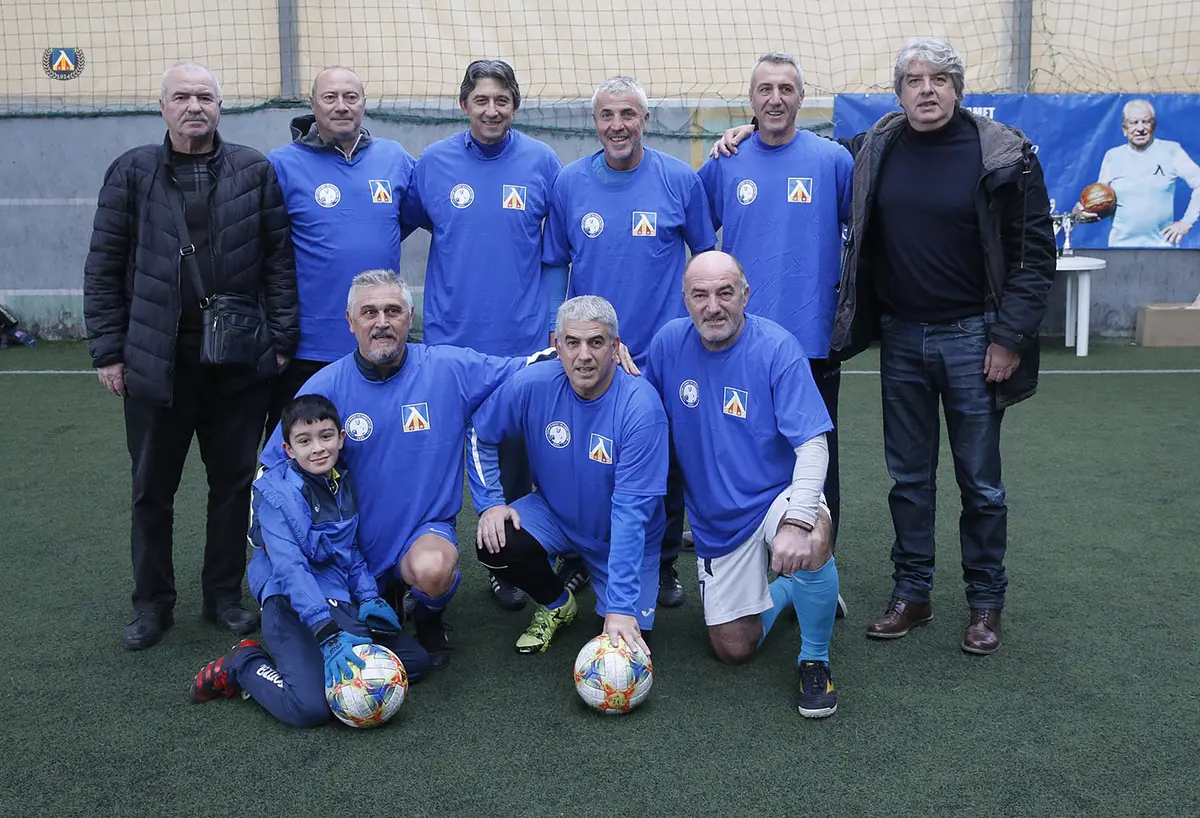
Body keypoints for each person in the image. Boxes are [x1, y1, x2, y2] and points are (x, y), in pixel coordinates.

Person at [830, 38, 1054, 653]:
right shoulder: (876, 147)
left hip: (975, 340)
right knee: (908, 479)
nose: (926, 89)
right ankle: (913, 593)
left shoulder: (1004, 155)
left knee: (980, 483)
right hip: (901, 339)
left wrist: (1008, 336)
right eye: (913, 80)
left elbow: (1035, 256)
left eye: (939, 79)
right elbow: (802, 149)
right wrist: (744, 132)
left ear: (957, 88)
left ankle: (985, 603)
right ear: (898, 92)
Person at [84, 62, 298, 651]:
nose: (194, 106)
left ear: (220, 107)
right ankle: (152, 604)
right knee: (152, 490)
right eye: (181, 96)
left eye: (205, 96)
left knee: (233, 486)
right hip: (157, 362)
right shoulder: (131, 172)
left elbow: (279, 262)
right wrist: (109, 351)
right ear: (163, 107)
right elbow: (103, 267)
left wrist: (281, 340)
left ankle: (223, 597)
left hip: (236, 363)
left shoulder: (254, 169)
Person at [261, 270, 540, 669]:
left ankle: (428, 618)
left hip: (423, 532)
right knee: (343, 643)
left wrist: (593, 357)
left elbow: (525, 368)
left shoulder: (448, 368)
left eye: (393, 311)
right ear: (350, 321)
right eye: (369, 312)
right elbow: (273, 466)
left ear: (410, 317)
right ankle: (382, 594)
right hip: (350, 548)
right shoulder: (325, 386)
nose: (382, 322)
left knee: (433, 569)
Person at [541, 75, 716, 608]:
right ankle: (579, 555)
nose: (618, 125)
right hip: (588, 353)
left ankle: (661, 562)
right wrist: (556, 333)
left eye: (628, 115)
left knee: (665, 461)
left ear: (645, 119)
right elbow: (556, 262)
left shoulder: (680, 180)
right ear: (595, 122)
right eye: (607, 115)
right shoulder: (570, 182)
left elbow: (705, 258)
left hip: (661, 356)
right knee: (581, 458)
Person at [645, 251, 840, 718]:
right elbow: (644, 412)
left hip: (777, 497)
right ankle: (792, 592)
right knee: (733, 648)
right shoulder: (668, 344)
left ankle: (815, 660)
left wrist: (797, 520)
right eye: (700, 295)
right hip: (717, 519)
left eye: (725, 293)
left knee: (812, 539)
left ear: (745, 295)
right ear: (686, 300)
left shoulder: (777, 348)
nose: (713, 306)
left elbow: (814, 445)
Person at [401, 59, 563, 612]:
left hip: (521, 343)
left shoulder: (542, 162)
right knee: (435, 458)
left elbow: (557, 252)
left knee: (514, 462)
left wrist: (553, 320)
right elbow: (403, 222)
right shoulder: (433, 163)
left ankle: (508, 565)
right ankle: (418, 568)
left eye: (502, 100)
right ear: (464, 104)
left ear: (515, 105)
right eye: (481, 100)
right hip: (449, 344)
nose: (491, 110)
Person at [189, 394, 431, 726]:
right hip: (289, 602)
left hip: (334, 597)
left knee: (415, 662)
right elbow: (290, 569)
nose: (317, 448)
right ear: (288, 449)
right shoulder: (276, 494)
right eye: (304, 441)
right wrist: (326, 632)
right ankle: (243, 662)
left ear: (340, 438)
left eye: (325, 436)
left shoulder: (341, 481)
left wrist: (368, 597)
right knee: (309, 709)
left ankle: (316, 656)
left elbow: (349, 551)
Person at [696, 53, 853, 557]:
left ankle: (818, 569)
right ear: (751, 98)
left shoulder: (833, 161)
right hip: (737, 340)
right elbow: (696, 235)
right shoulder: (726, 161)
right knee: (741, 450)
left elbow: (861, 231)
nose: (776, 98)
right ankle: (744, 558)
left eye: (786, 88)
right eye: (765, 89)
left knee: (815, 456)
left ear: (802, 98)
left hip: (811, 339)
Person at [469, 295, 668, 656]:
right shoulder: (533, 384)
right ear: (557, 347)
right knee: (494, 541)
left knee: (625, 650)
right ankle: (558, 603)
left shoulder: (641, 408)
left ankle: (604, 583)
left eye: (596, 342)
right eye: (573, 343)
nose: (584, 355)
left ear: (615, 347)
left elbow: (631, 515)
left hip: (619, 536)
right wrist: (490, 504)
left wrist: (621, 607)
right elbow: (480, 434)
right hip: (555, 515)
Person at [264, 66, 417, 438]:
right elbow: (266, 246)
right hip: (308, 346)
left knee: (375, 443)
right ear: (312, 105)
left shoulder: (394, 158)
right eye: (330, 97)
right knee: (303, 447)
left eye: (351, 97)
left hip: (379, 340)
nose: (341, 106)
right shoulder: (281, 164)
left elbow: (407, 218)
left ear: (364, 103)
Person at [1075, 98, 1200, 247]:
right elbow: (1100, 200)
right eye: (1133, 122)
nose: (1140, 128)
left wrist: (1187, 222)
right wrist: (1081, 212)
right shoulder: (1112, 156)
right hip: (1120, 248)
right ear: (1124, 129)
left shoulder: (1171, 151)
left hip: (1162, 248)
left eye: (1145, 122)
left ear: (1153, 126)